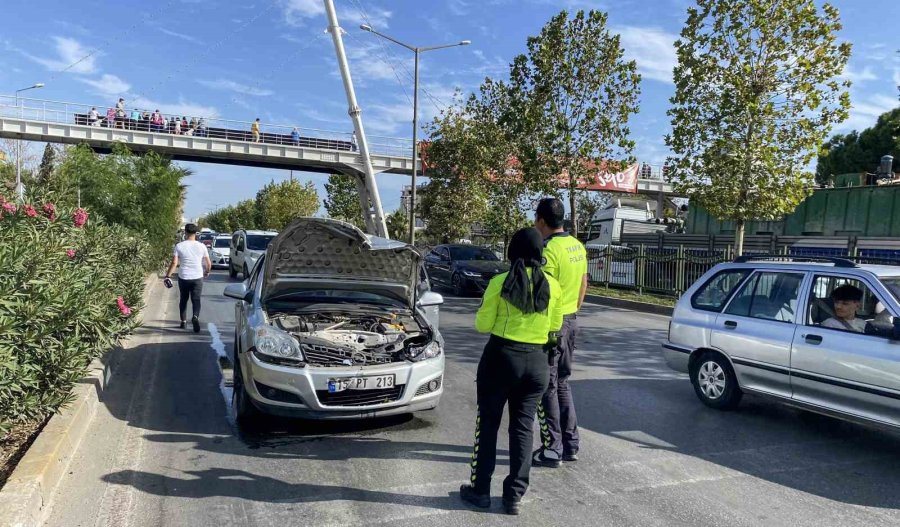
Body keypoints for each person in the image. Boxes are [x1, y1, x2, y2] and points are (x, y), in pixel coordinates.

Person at [460, 227, 563, 516]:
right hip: (537, 364)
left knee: (488, 425)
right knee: (522, 429)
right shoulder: (553, 286)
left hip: (501, 359)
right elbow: (555, 326)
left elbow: (482, 325)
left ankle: (480, 491)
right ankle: (514, 497)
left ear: (512, 251)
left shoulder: (499, 282)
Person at [531, 197, 587, 468]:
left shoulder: (548, 250)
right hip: (571, 320)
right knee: (562, 382)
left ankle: (552, 448)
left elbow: (545, 293)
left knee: (548, 387)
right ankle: (571, 444)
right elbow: (583, 283)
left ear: (541, 221)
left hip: (554, 325)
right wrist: (572, 310)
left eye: (535, 219)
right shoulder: (577, 245)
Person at [164, 223, 211, 332]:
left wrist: (168, 275)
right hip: (197, 276)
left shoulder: (179, 246)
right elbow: (208, 263)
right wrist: (206, 272)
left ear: (185, 232)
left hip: (184, 276)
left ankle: (183, 322)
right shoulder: (202, 246)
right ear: (196, 233)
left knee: (184, 299)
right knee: (196, 299)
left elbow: (174, 262)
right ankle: (195, 316)